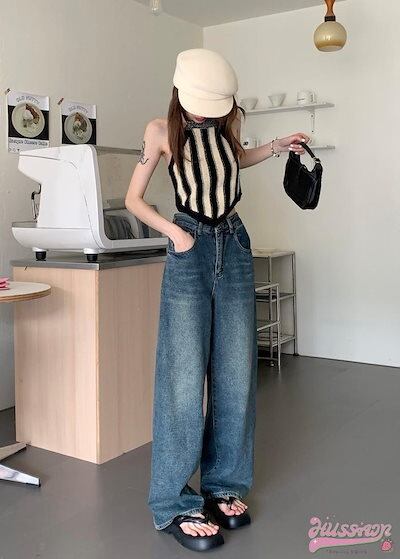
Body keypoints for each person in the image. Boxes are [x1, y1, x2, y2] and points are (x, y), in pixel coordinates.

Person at [125, 48, 309, 552]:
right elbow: (134, 199)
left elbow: (236, 160)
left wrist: (277, 146)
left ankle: (224, 485)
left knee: (235, 372)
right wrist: (176, 235)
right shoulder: (159, 131)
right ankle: (172, 504)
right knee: (183, 379)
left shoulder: (229, 122)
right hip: (189, 246)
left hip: (235, 241)